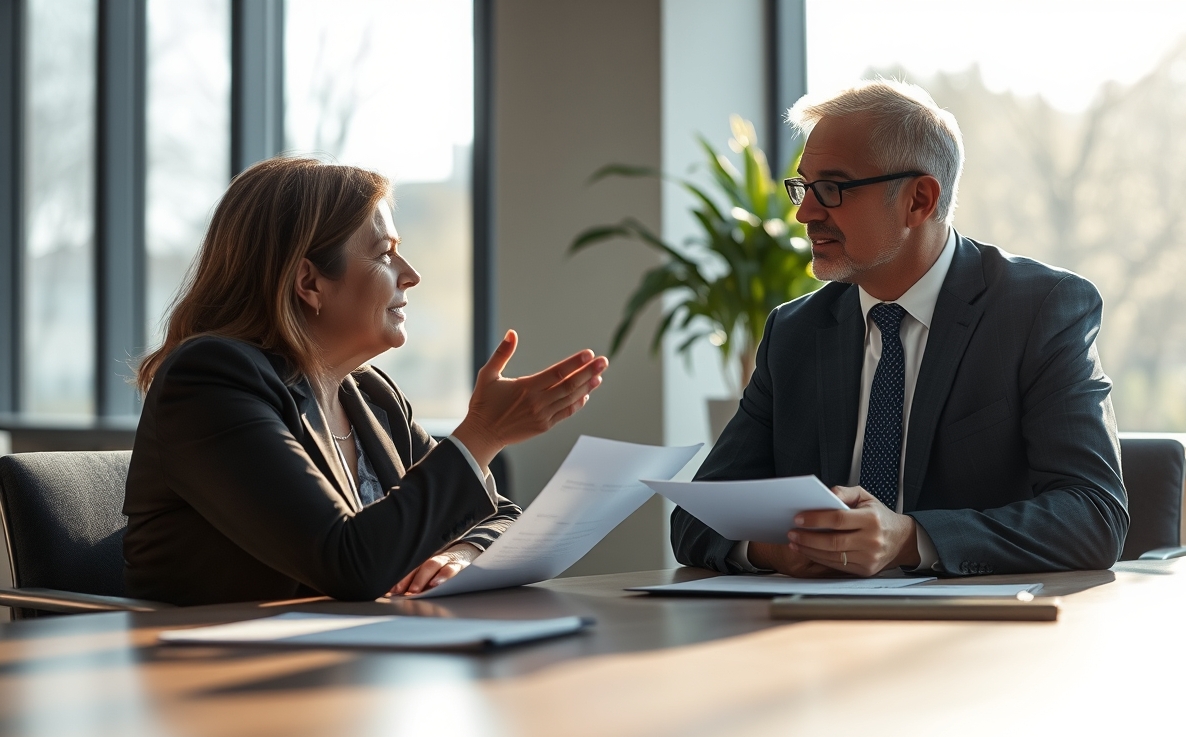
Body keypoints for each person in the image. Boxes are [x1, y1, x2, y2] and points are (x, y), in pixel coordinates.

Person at [671, 80, 1127, 578]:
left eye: (832, 188)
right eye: (804, 186)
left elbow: (1094, 516)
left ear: (919, 200)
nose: (804, 213)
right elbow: (696, 517)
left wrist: (909, 539)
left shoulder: (1040, 310)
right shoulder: (795, 331)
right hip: (809, 635)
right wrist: (777, 550)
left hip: (978, 636)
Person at [123, 157, 608, 606]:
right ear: (309, 283)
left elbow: (500, 516)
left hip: (353, 662)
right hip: (221, 677)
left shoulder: (370, 395)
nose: (411, 274)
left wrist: (461, 556)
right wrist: (482, 433)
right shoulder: (209, 381)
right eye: (385, 254)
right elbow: (347, 563)